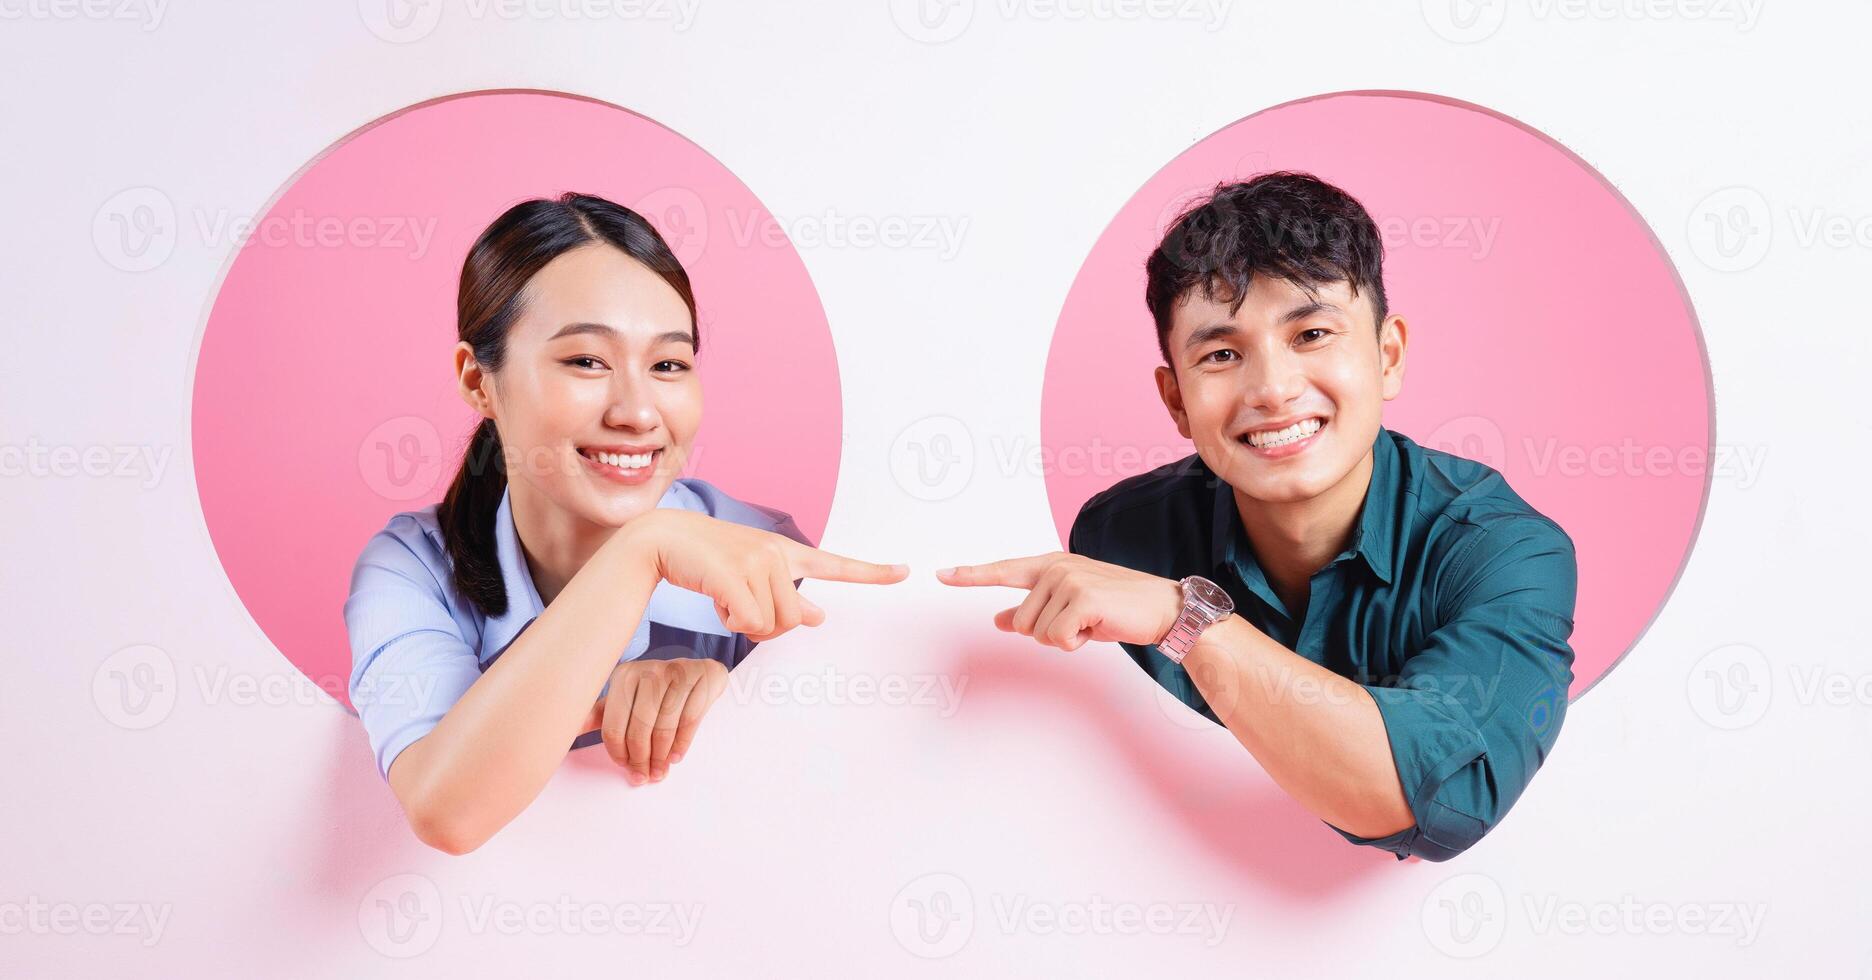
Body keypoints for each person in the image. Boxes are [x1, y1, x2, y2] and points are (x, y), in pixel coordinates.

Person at [939, 172, 1577, 862]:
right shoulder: (1121, 538)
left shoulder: (1506, 553)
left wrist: (1182, 618)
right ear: (1176, 400)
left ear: (1387, 356)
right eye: (1221, 355)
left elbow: (1441, 805)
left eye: (1311, 334)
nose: (1272, 390)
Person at [345, 192, 907, 855]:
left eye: (668, 364)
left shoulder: (773, 551)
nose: (638, 413)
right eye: (586, 360)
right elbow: (449, 810)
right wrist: (641, 552)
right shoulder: (411, 567)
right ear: (478, 380)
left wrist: (733, 700)